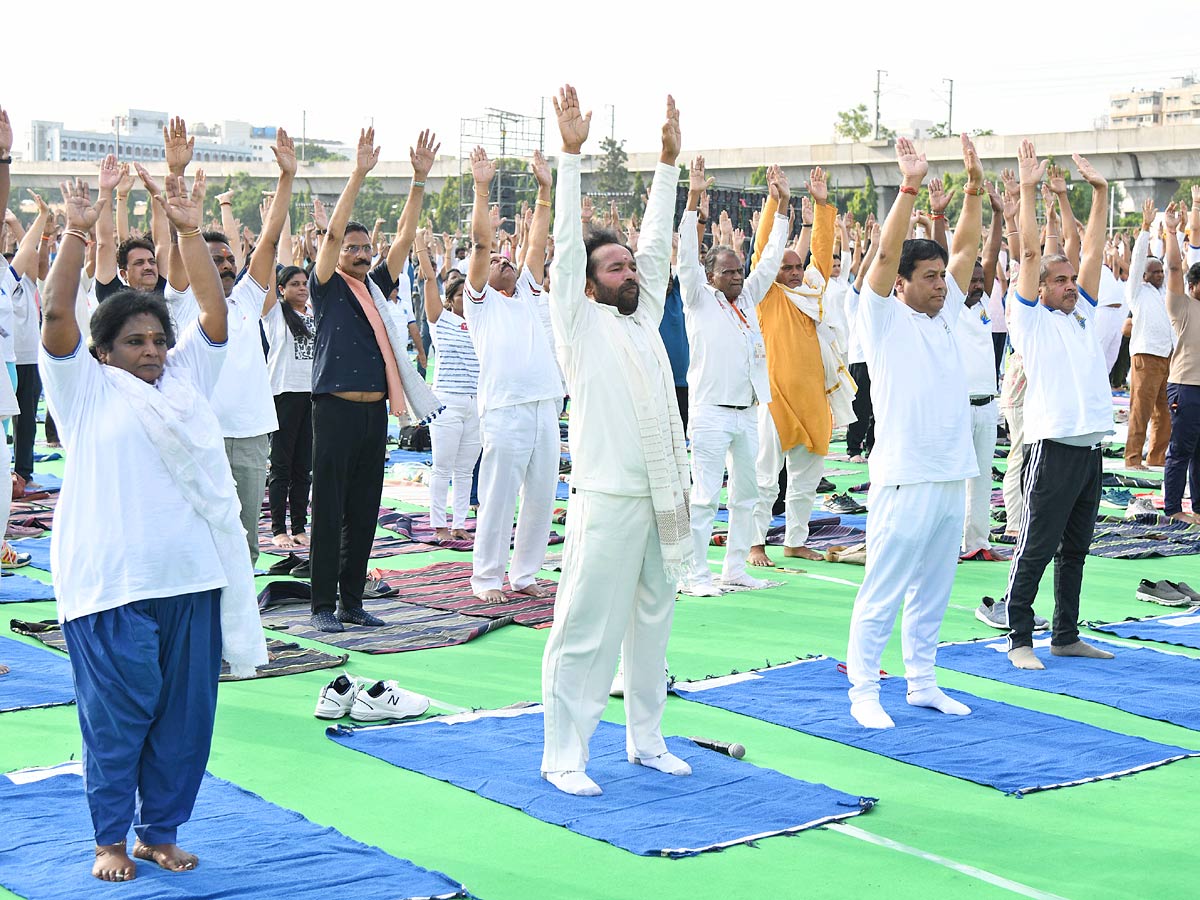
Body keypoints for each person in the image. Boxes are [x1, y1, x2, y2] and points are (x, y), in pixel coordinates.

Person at [41, 174, 266, 883]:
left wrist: (192, 231)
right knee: (118, 717)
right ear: (103, 350)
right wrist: (78, 231)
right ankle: (109, 837)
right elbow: (53, 318)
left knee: (184, 721)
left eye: (158, 340)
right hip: (110, 585)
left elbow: (216, 314)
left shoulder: (185, 386)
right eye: (133, 340)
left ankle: (157, 832)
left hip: (193, 580)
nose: (151, 350)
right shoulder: (84, 390)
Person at [540, 85, 692, 796]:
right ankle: (564, 754)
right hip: (606, 498)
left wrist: (667, 165)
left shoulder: (641, 318)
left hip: (665, 494)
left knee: (653, 623)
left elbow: (659, 244)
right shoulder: (580, 324)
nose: (629, 273)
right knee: (586, 627)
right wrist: (570, 156)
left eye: (631, 267)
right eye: (617, 268)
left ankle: (647, 739)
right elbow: (567, 253)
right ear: (592, 285)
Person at [845, 135, 983, 729]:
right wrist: (907, 188)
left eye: (940, 276)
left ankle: (922, 681)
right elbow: (882, 255)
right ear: (901, 282)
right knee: (884, 587)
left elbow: (971, 248)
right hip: (904, 476)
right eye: (928, 276)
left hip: (952, 473)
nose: (940, 284)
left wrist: (975, 190)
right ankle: (863, 692)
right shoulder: (880, 317)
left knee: (933, 588)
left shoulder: (946, 310)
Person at [307, 127, 441, 632]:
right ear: (339, 252)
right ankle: (322, 606)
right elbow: (334, 233)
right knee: (330, 510)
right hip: (334, 409)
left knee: (364, 512)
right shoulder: (327, 287)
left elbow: (405, 238)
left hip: (372, 414)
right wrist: (359, 174)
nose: (361, 254)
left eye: (367, 248)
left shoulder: (376, 289)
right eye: (353, 248)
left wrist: (418, 181)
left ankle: (351, 602)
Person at [1001, 142, 1115, 669]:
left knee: (1076, 550)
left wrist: (1098, 192)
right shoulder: (1030, 321)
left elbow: (1091, 250)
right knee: (1036, 549)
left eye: (1072, 281)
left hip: (1090, 450)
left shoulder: (1080, 316)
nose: (1072, 286)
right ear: (1040, 288)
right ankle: (1019, 638)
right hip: (1052, 450)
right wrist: (1026, 190)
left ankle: (1065, 633)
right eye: (1061, 281)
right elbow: (1027, 253)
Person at [163, 123, 296, 568]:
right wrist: (176, 172)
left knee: (244, 547)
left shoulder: (245, 300)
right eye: (213, 259)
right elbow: (183, 235)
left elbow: (271, 238)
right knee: (199, 536)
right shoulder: (185, 302)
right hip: (201, 435)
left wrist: (286, 179)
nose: (222, 265)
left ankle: (239, 633)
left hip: (252, 435)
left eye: (228, 260)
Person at [677, 155, 788, 593]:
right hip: (710, 413)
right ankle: (694, 573)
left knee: (748, 495)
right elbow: (686, 254)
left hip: (747, 412)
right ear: (709, 275)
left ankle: (734, 569)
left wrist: (777, 211)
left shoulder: (747, 298)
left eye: (739, 271)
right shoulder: (698, 298)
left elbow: (770, 262)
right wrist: (693, 197)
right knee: (704, 497)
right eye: (728, 272)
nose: (738, 278)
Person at [464, 145, 561, 603]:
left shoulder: (525, 292)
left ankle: (524, 575)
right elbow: (482, 244)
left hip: (544, 402)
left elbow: (537, 244)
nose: (507, 262)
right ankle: (485, 578)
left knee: (541, 497)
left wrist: (545, 190)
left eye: (509, 260)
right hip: (504, 409)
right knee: (500, 498)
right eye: (500, 261)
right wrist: (481, 189)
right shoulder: (478, 301)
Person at [748, 166, 855, 567]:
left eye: (797, 267)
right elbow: (763, 252)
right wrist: (778, 201)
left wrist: (822, 205)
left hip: (814, 400)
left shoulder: (813, 291)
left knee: (805, 481)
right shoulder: (768, 296)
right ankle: (756, 542)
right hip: (774, 400)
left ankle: (795, 540)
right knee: (764, 479)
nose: (793, 273)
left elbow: (823, 257)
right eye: (786, 268)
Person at [419, 236, 480, 541]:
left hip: (477, 403)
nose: (467, 300)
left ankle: (459, 524)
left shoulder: (484, 324)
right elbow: (430, 280)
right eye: (462, 295)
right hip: (447, 402)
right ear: (451, 299)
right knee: (443, 467)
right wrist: (422, 250)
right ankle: (439, 525)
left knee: (466, 469)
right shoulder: (441, 321)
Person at [262, 265, 314, 548]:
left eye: (305, 283)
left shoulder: (314, 313)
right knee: (281, 466)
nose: (302, 288)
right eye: (294, 284)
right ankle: (278, 528)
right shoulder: (275, 314)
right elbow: (267, 274)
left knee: (303, 467)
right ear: (281, 289)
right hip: (284, 394)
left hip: (312, 395)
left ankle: (299, 527)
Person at [1125, 198, 1173, 470]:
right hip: (1145, 356)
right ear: (1143, 276)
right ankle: (1132, 459)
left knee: (1165, 413)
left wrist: (1170, 231)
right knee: (1140, 412)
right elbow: (1135, 263)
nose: (1158, 275)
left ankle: (1156, 457)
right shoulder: (1137, 292)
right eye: (1153, 272)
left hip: (1168, 357)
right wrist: (1145, 228)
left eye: (1160, 271)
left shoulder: (1166, 292)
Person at [1161, 200, 1200, 524]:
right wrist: (1171, 232)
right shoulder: (1181, 305)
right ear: (1192, 286)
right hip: (1185, 387)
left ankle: (1197, 507)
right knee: (1181, 451)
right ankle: (1173, 509)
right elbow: (1174, 268)